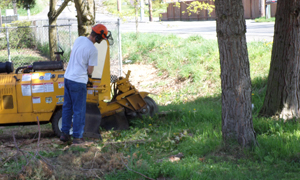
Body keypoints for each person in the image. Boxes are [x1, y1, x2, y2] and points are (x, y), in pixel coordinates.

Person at [60, 24, 109, 145]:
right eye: (101, 39)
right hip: (78, 81)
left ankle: (65, 134)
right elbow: (90, 71)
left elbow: (72, 55)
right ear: (97, 38)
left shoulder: (79, 39)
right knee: (79, 110)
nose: (101, 41)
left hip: (68, 78)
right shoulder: (93, 50)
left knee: (67, 107)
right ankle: (77, 137)